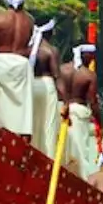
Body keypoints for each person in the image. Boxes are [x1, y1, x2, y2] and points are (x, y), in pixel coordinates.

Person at [0, 0, 37, 140]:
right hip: (21, 64)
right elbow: (30, 47)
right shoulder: (30, 21)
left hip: (1, 61)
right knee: (23, 109)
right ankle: (23, 142)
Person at [60, 44, 100, 177]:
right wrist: (99, 120)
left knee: (61, 147)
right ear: (86, 55)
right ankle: (81, 179)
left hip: (61, 109)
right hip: (78, 112)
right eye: (92, 56)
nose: (92, 59)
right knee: (80, 150)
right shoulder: (88, 75)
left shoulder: (62, 69)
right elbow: (92, 102)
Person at [28, 18, 62, 158]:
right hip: (46, 87)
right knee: (48, 125)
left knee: (32, 122)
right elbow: (57, 76)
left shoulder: (28, 48)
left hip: (30, 86)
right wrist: (64, 101)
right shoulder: (51, 50)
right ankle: (47, 157)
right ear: (51, 32)